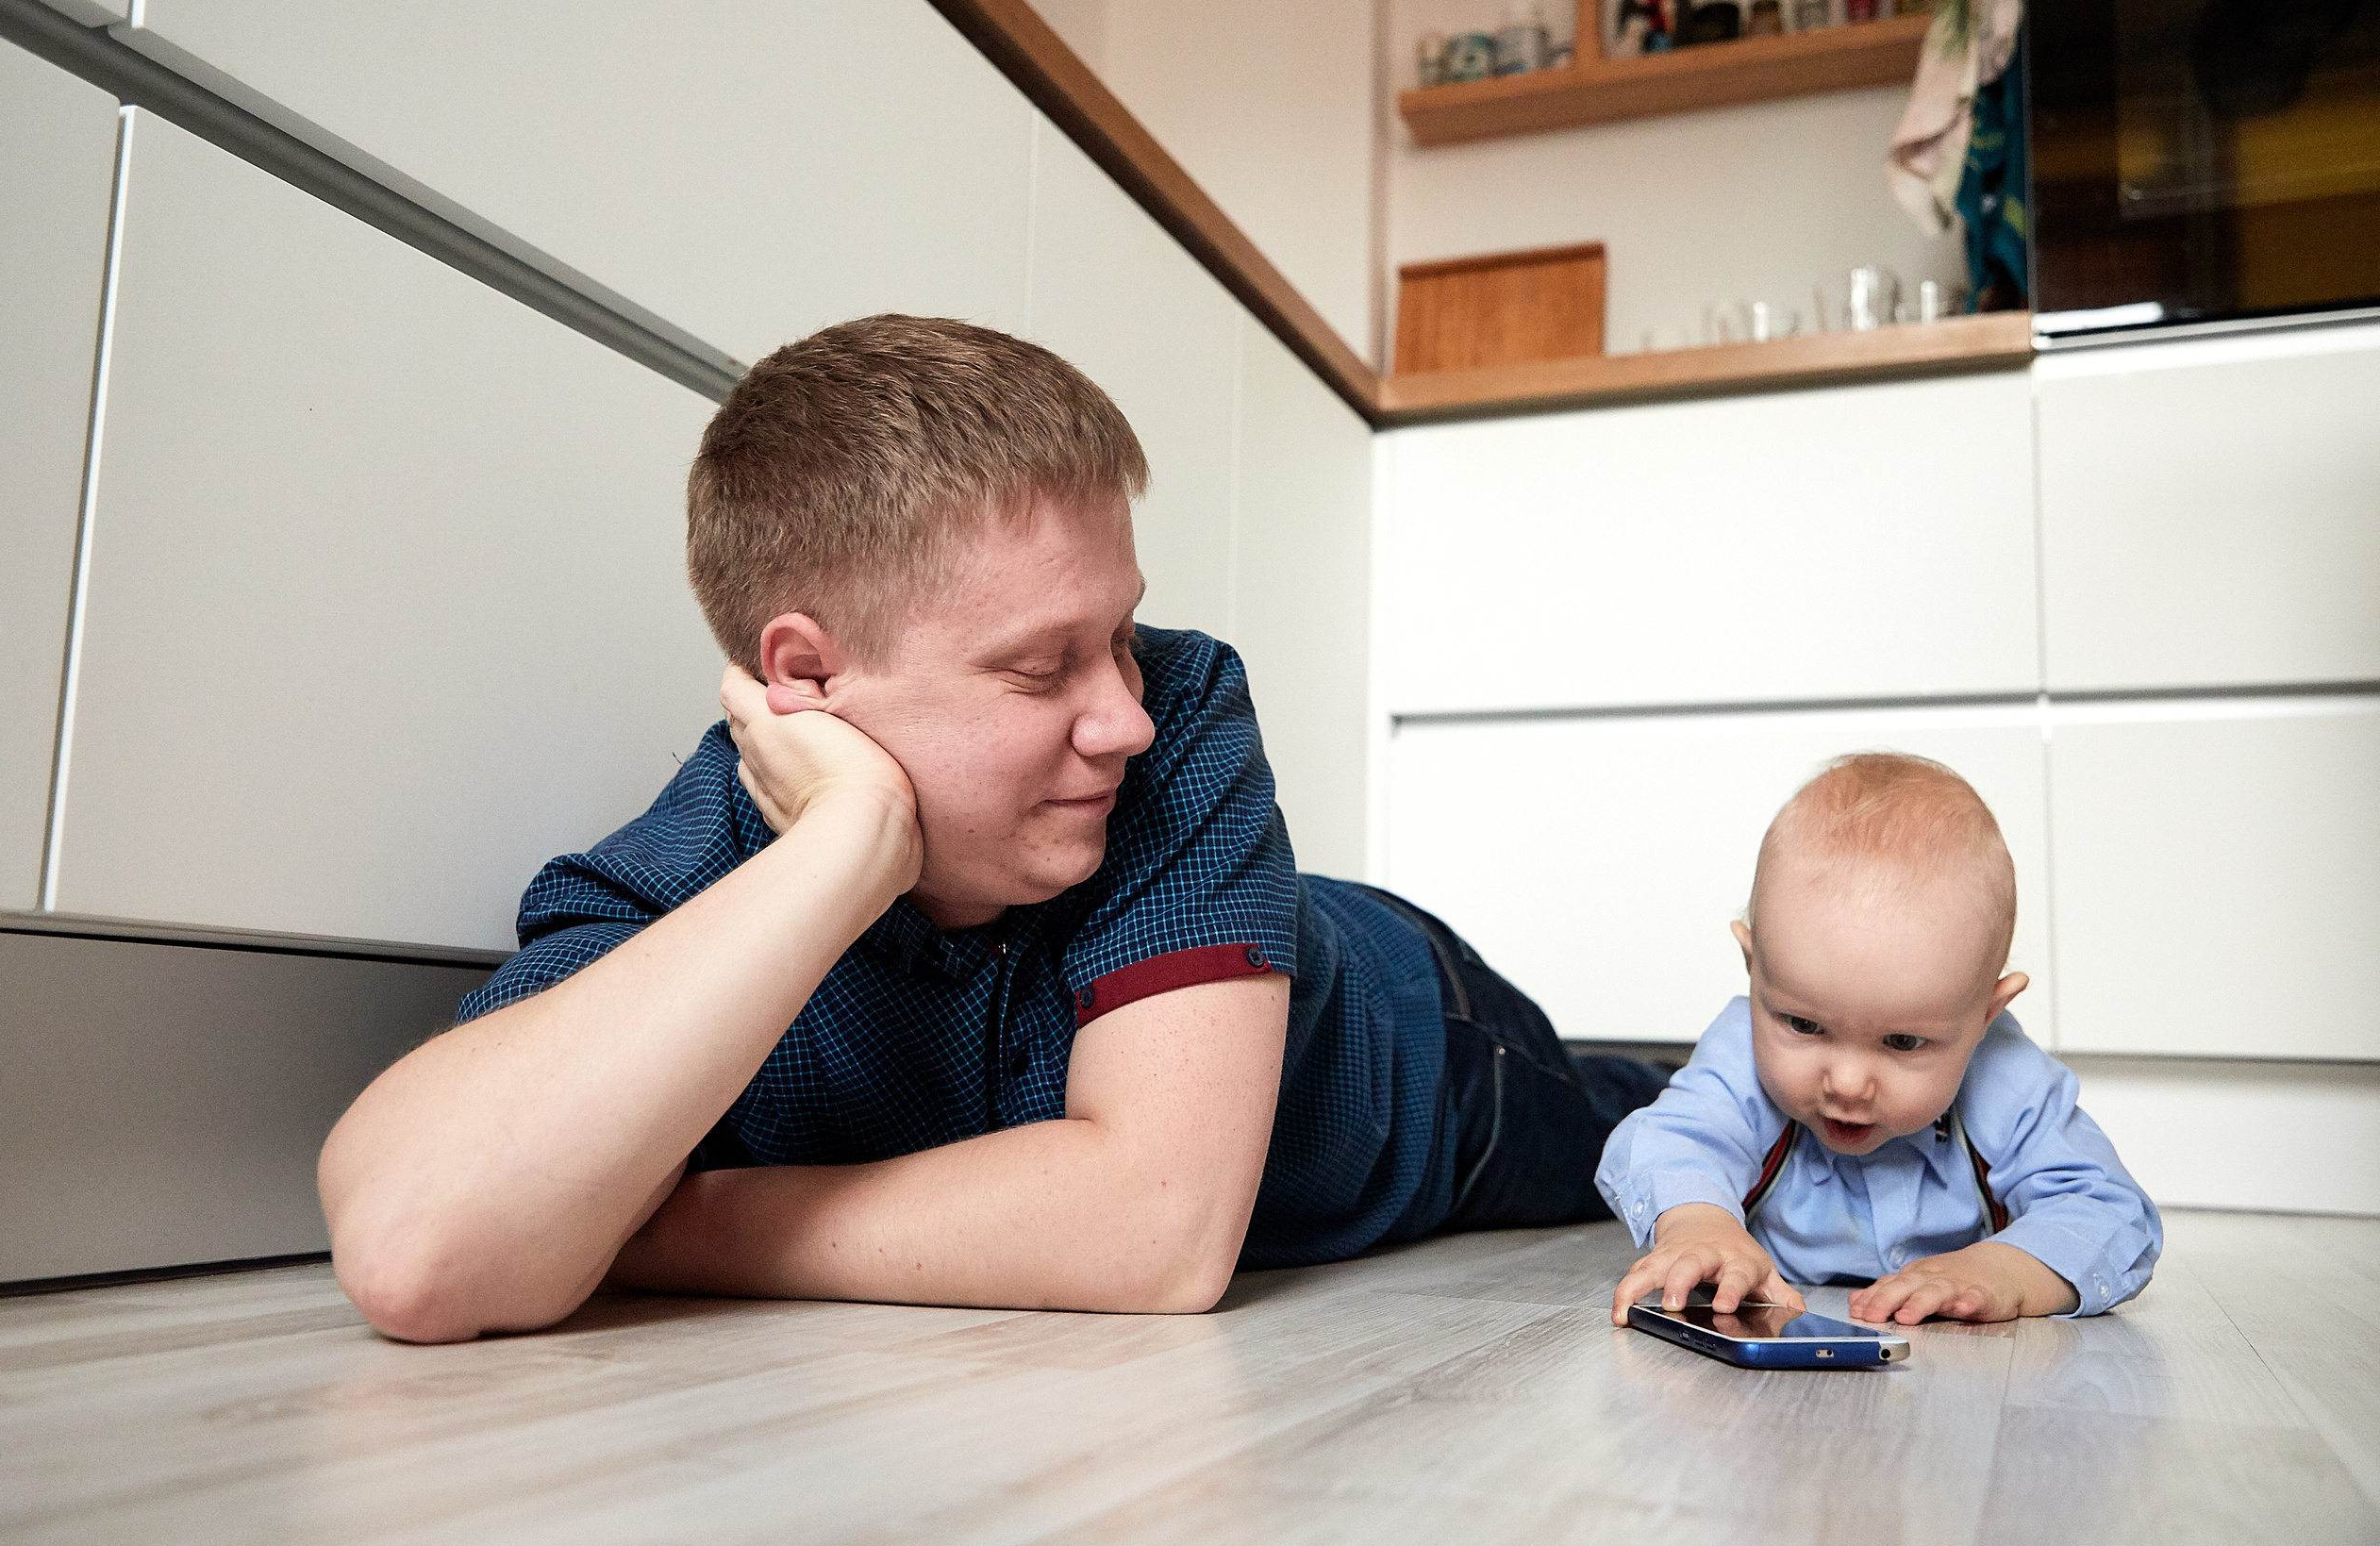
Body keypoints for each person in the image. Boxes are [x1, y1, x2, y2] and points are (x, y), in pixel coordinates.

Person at [319, 314, 1665, 1343]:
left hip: (1423, 1051)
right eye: (1039, 667)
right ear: (804, 678)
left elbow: (1153, 1234)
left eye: (1120, 633)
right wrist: (843, 849)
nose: (1120, 716)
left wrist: (672, 1221)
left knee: (1683, 1132)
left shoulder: (1183, 712)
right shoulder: (693, 868)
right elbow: (413, 1248)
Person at [1599, 753, 2162, 1329]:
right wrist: (1698, 1227)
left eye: (1902, 1041)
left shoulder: (2005, 1079)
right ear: (1754, 968)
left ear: (1985, 1016)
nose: (1846, 1082)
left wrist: (2007, 1271)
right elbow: (1665, 1143)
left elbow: (2109, 1213)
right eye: (1804, 1025)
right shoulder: (1741, 1057)